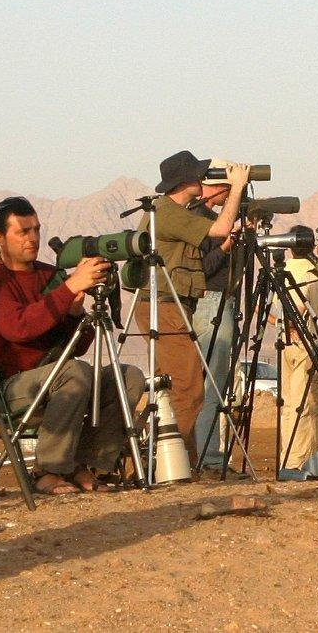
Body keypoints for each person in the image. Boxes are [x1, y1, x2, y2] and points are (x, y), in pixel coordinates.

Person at [0, 196, 140, 495]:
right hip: (7, 389)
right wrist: (70, 288)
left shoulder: (51, 275)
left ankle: (88, 465)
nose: (33, 238)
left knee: (129, 377)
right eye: (23, 231)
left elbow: (80, 345)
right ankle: (47, 470)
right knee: (74, 372)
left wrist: (74, 310)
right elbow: (17, 327)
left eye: (36, 229)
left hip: (58, 380)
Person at [134, 151, 247, 458]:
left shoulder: (173, 210)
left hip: (169, 304)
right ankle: (176, 461)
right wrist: (236, 187)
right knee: (189, 388)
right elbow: (221, 230)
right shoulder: (168, 211)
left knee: (169, 390)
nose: (202, 180)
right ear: (184, 181)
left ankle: (165, 461)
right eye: (198, 175)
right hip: (165, 304)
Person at [189, 161, 247, 471]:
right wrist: (226, 245)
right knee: (211, 383)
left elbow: (234, 273)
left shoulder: (205, 219)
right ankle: (208, 459)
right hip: (209, 302)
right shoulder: (198, 220)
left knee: (211, 383)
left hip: (217, 302)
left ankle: (204, 456)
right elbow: (202, 270)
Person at [275, 225, 318, 470]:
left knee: (290, 403)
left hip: (286, 343)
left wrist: (285, 327)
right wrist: (294, 325)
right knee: (313, 405)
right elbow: (299, 308)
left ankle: (288, 457)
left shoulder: (281, 271)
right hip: (308, 342)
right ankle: (306, 460)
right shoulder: (314, 273)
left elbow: (275, 312)